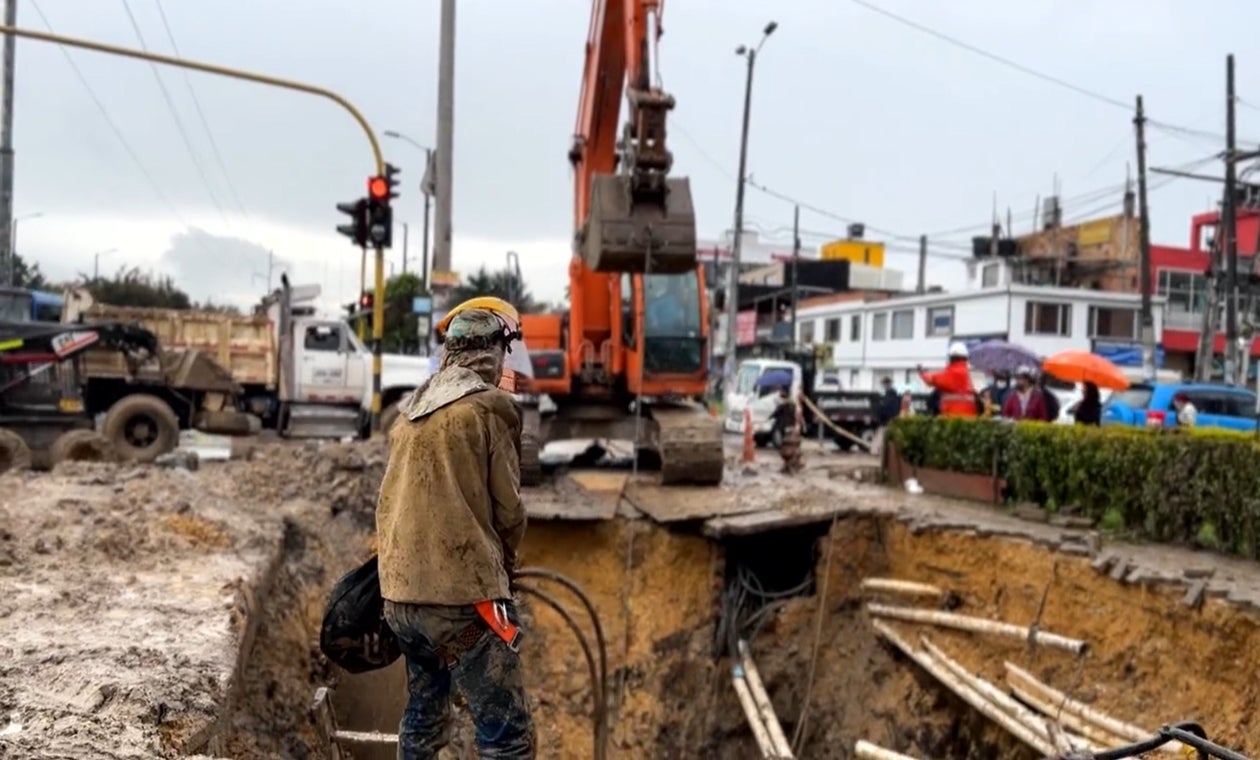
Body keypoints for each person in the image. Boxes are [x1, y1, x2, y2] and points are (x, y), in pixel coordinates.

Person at [376, 297, 535, 759]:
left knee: (424, 719)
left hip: (400, 600)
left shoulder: (408, 414)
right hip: (464, 598)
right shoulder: (491, 409)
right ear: (492, 353)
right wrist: (505, 574)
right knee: (507, 735)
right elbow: (508, 511)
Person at [917, 342, 978, 418]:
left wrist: (922, 373)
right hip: (968, 416)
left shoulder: (955, 372)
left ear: (951, 358)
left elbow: (932, 380)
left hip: (955, 416)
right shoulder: (965, 372)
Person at [770, 386, 803, 473]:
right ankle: (793, 464)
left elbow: (775, 414)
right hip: (791, 427)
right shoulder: (792, 404)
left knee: (784, 445)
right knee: (791, 446)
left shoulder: (782, 405)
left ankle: (788, 464)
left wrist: (769, 416)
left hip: (783, 426)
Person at [874, 377, 900, 454]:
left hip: (887, 420)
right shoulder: (893, 394)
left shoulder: (889, 395)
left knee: (885, 439)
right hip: (891, 420)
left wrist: (881, 418)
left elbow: (886, 408)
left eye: (884, 384)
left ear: (887, 384)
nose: (883, 386)